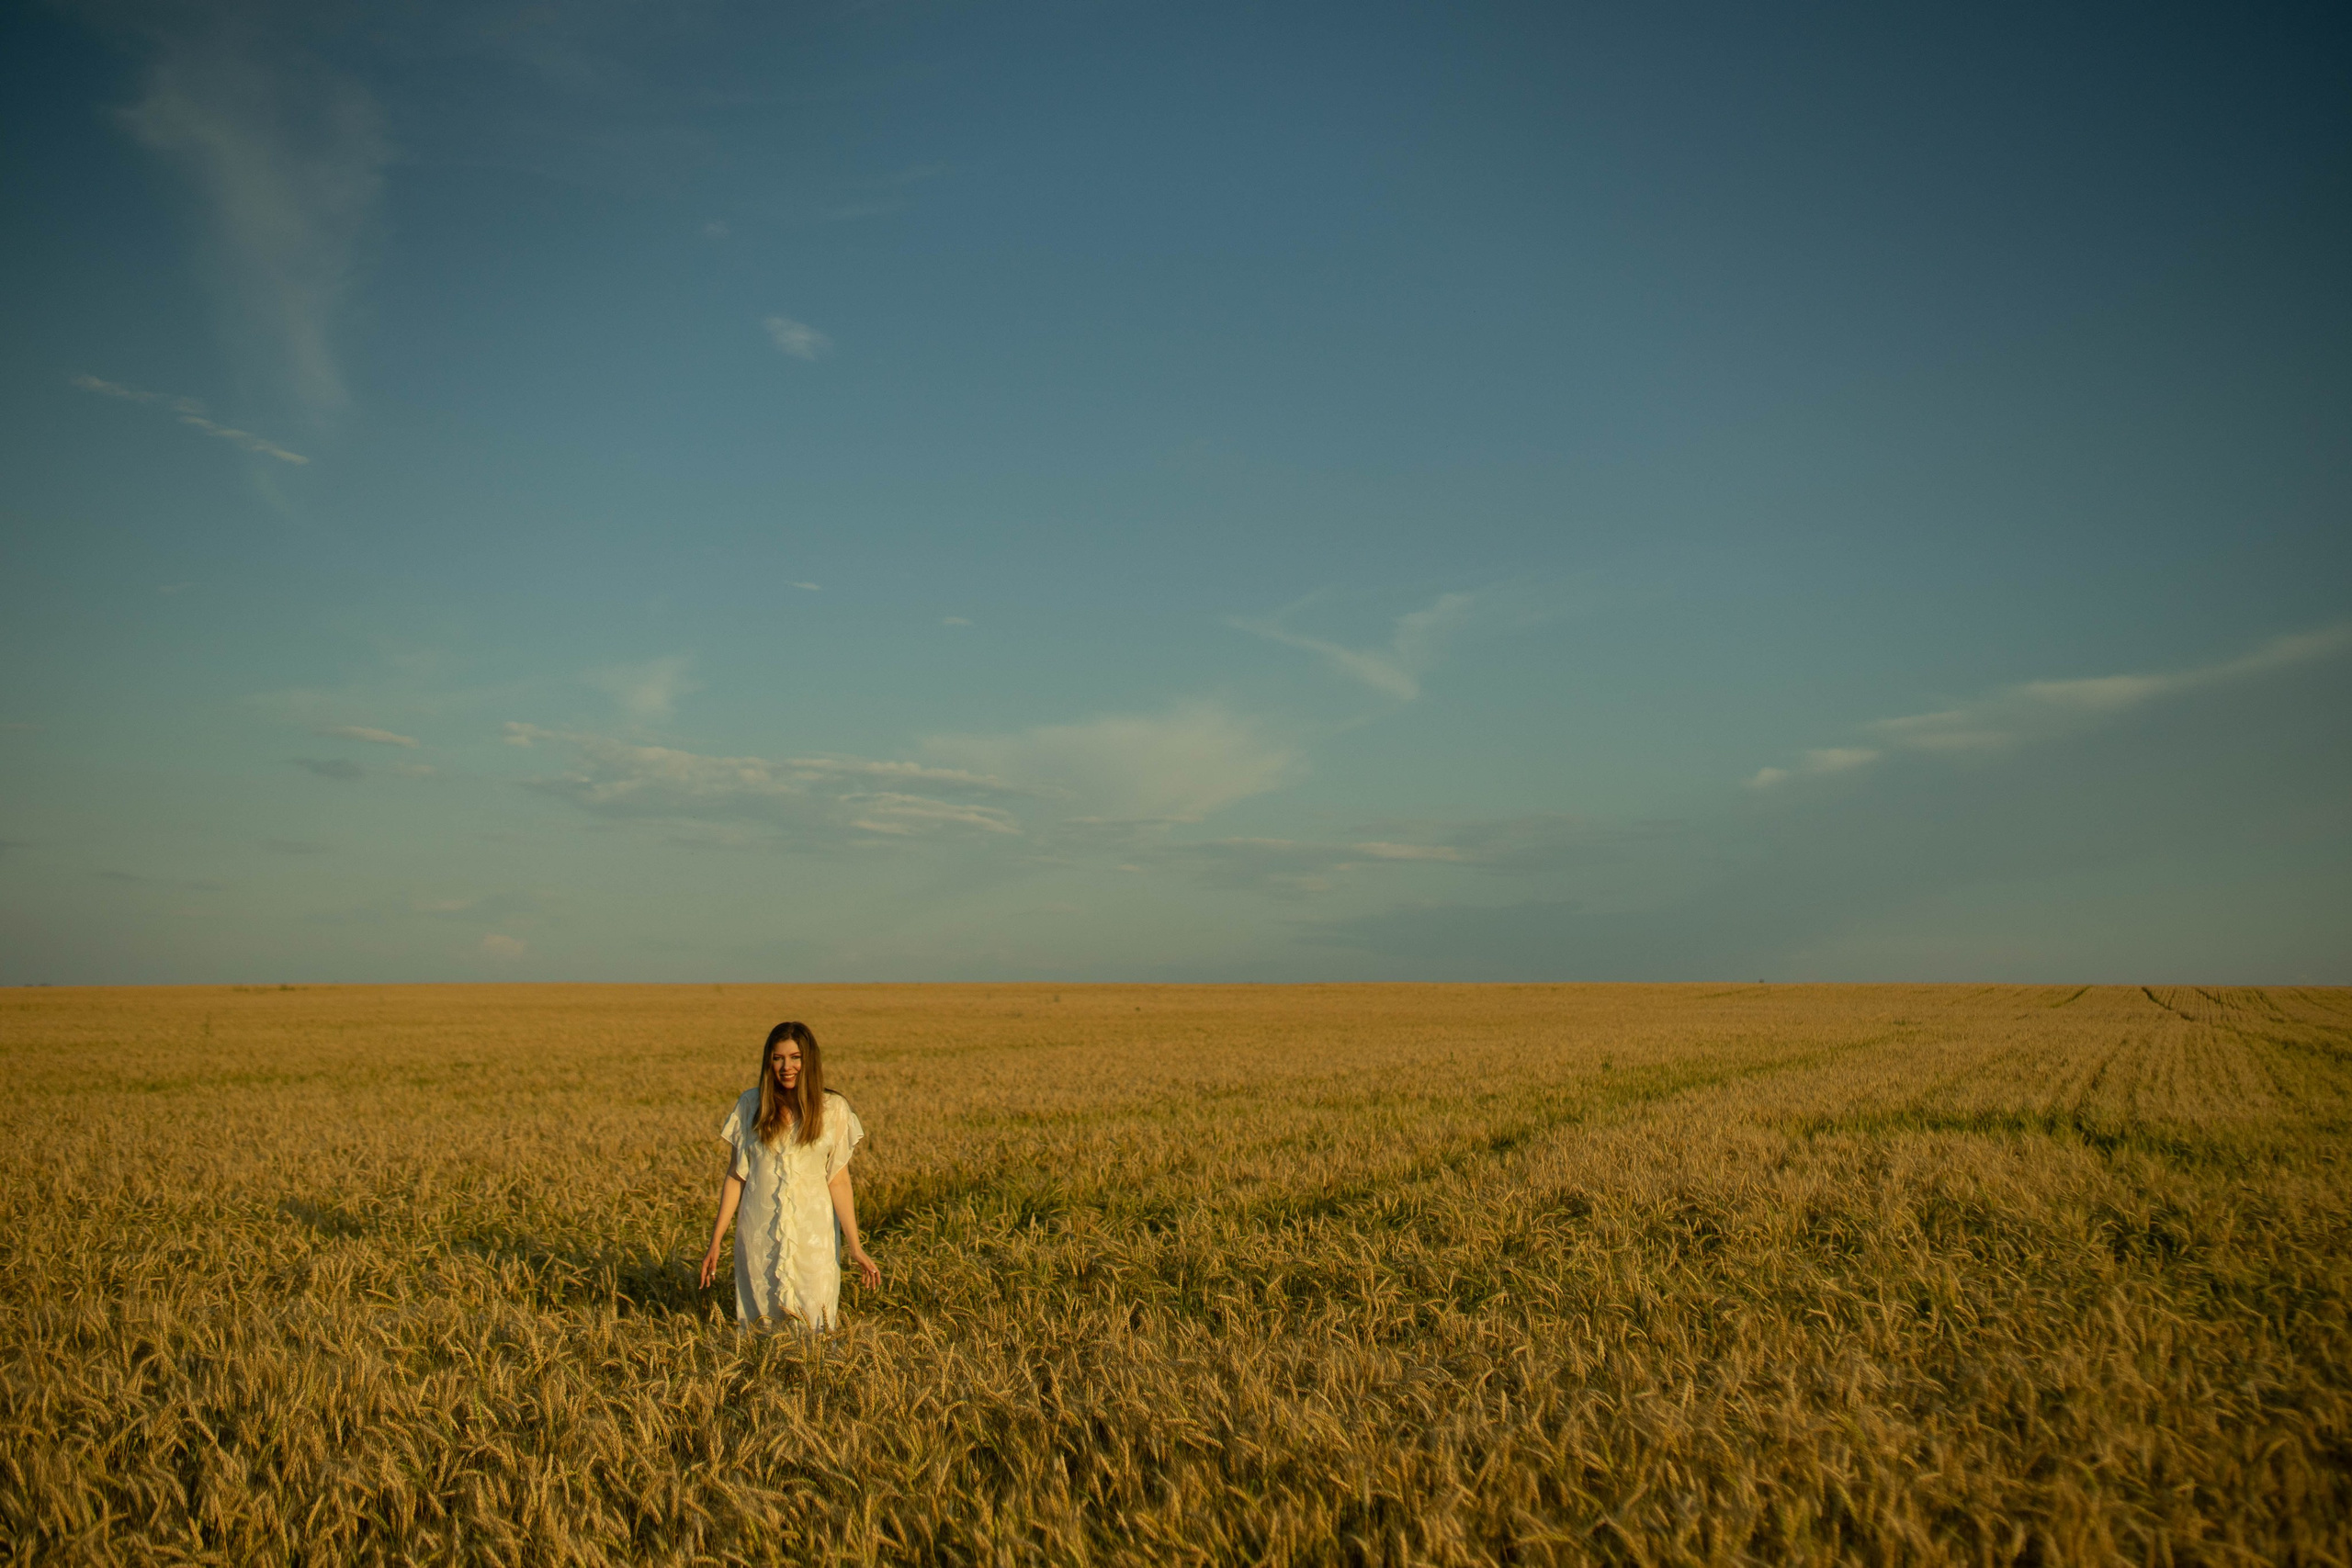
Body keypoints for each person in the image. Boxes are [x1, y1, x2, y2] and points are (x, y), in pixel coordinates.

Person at [698, 1021, 880, 1330]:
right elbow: (736, 1177)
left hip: (814, 1237)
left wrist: (855, 1246)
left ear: (808, 1060)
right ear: (769, 1061)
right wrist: (715, 1242)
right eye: (778, 1058)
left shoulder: (833, 1109)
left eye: (795, 1057)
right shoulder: (750, 1105)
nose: (787, 1067)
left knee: (816, 1323)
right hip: (759, 1236)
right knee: (761, 1327)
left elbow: (838, 1180)